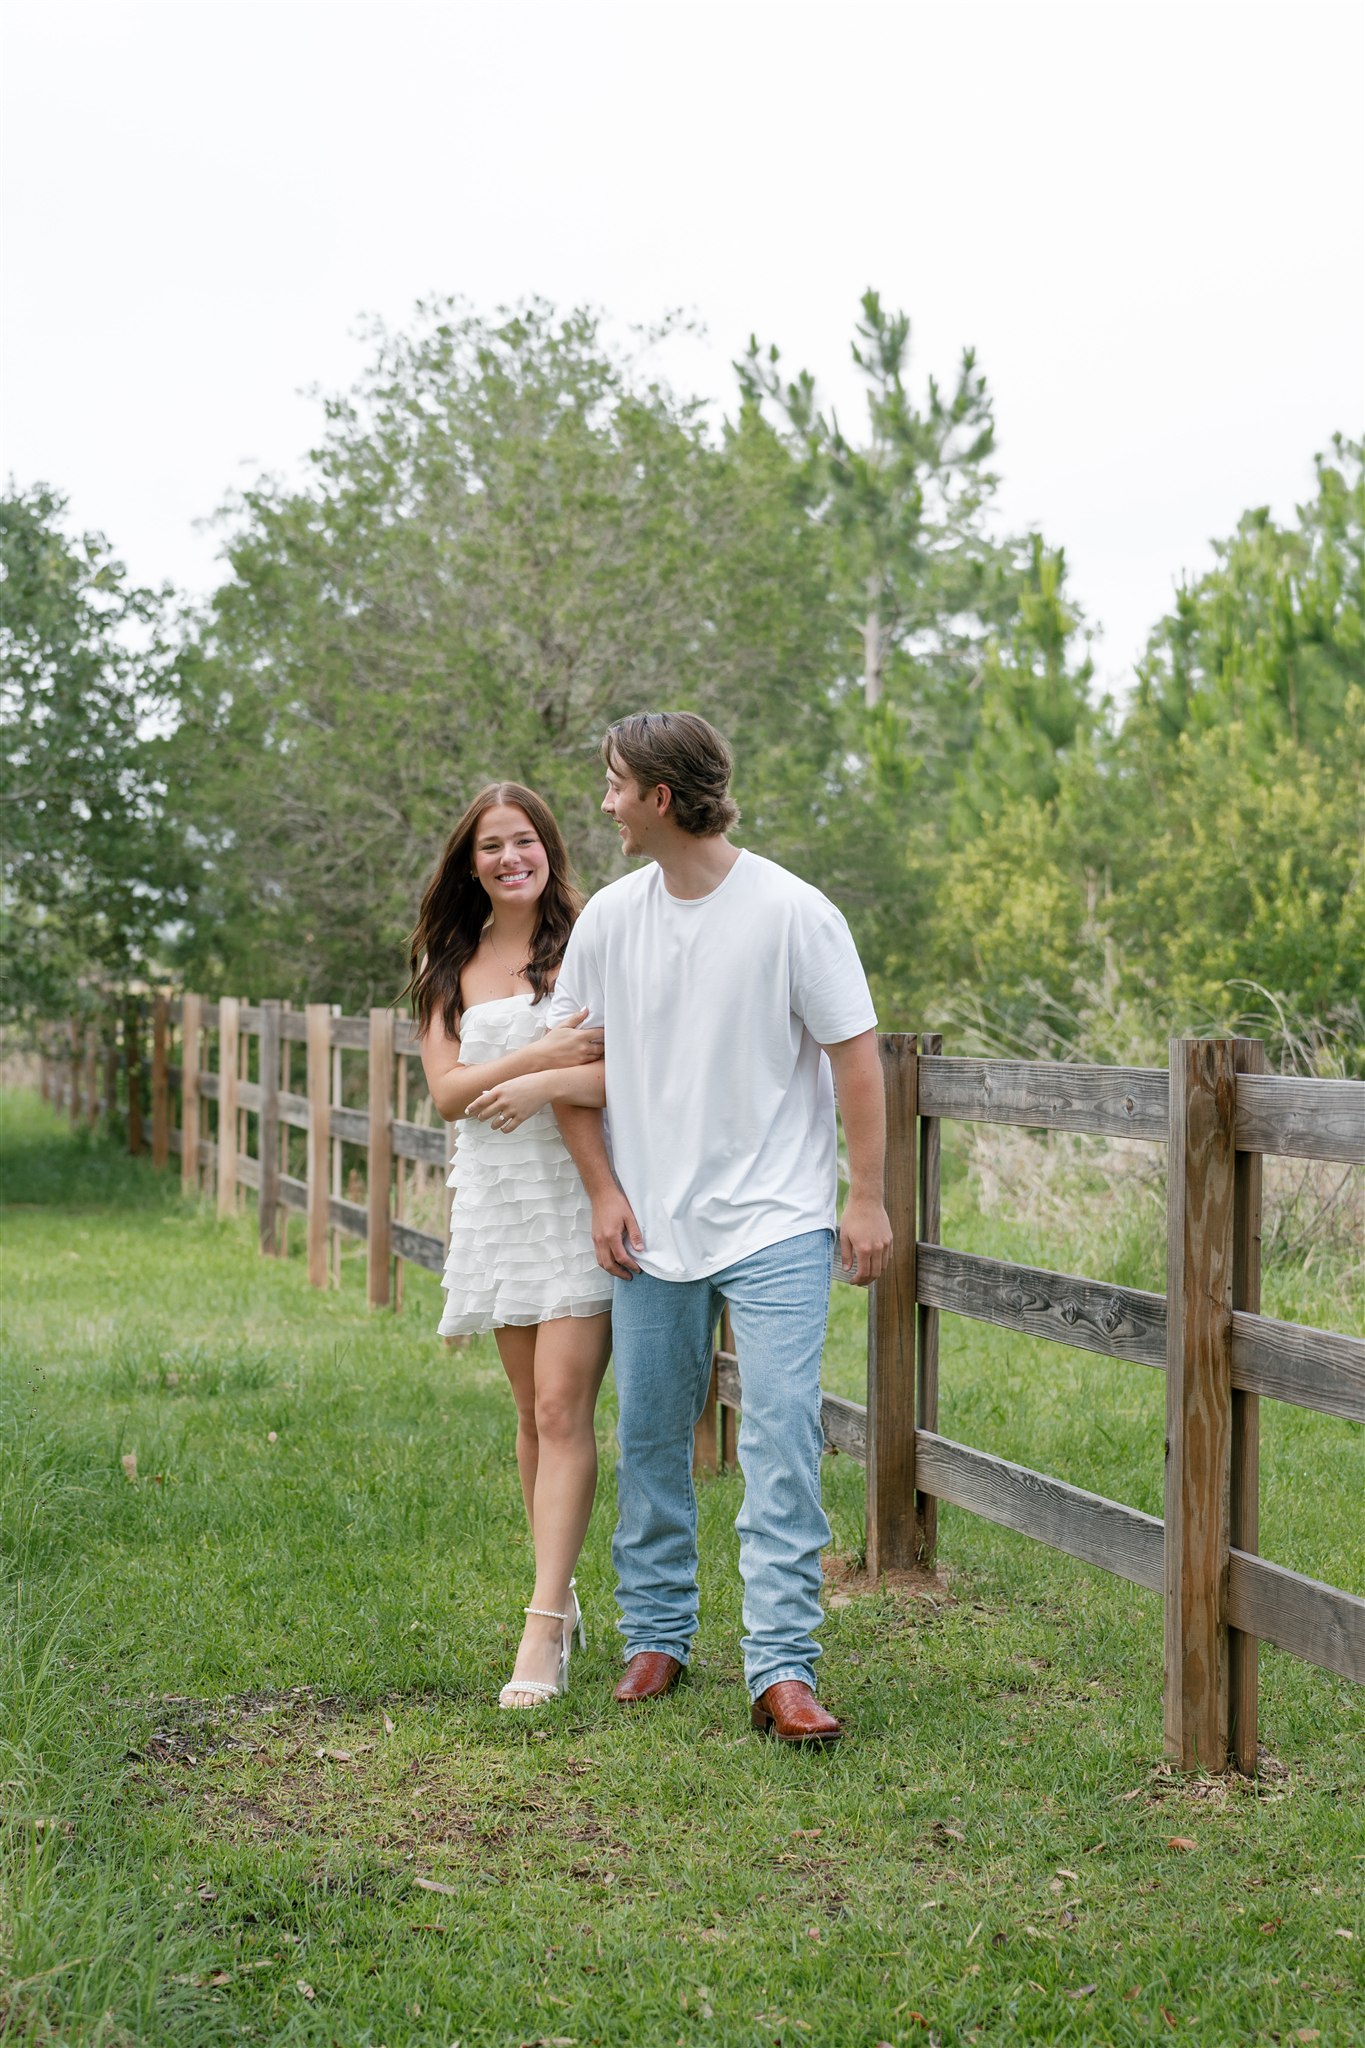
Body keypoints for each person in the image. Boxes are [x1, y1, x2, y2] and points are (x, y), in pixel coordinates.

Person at [549, 712, 892, 1746]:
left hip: (778, 1218)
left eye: (615, 785)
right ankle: (656, 1633)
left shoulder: (793, 911)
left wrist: (866, 1196)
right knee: (652, 1433)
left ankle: (782, 1665)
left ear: (660, 797)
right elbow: (572, 1067)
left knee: (782, 1434)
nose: (605, 804)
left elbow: (856, 1056)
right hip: (651, 1222)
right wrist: (603, 1190)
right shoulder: (610, 921)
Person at [409, 782, 613, 1709]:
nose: (508, 858)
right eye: (490, 846)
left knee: (564, 1407)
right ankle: (558, 1598)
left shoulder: (589, 943)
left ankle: (539, 1631)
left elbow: (624, 1067)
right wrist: (537, 1058)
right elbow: (449, 1095)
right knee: (531, 1415)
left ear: (547, 847)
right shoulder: (450, 958)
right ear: (471, 863)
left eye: (522, 840)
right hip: (497, 1201)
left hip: (575, 1191)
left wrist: (540, 1080)